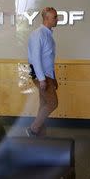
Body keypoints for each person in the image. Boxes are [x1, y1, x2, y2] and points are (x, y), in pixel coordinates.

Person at [26, 7, 59, 137]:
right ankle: (33, 129)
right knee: (52, 103)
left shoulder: (48, 34)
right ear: (46, 19)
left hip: (47, 75)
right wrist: (41, 79)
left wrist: (54, 77)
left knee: (44, 103)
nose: (57, 19)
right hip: (42, 76)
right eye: (55, 17)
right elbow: (36, 58)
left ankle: (38, 131)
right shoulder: (38, 34)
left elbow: (48, 58)